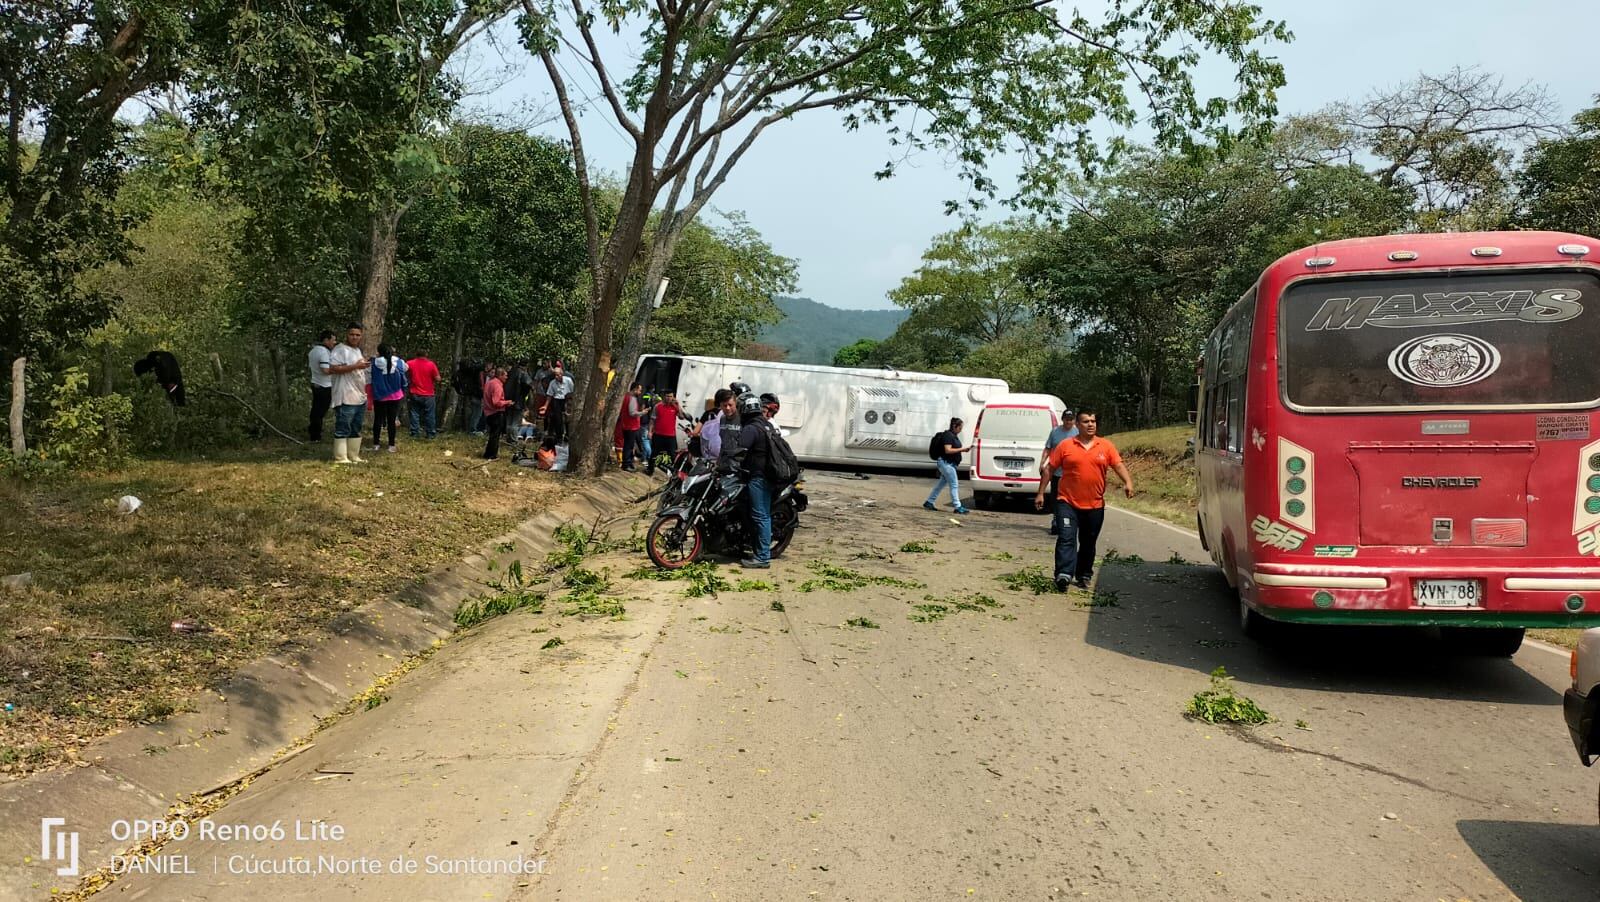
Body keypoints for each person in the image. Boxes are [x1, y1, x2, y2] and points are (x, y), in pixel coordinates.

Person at [1034, 408, 1135, 592]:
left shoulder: (1105, 446)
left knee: (1088, 542)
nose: (1091, 424)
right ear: (1078, 425)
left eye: (1093, 421)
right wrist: (1041, 493)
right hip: (1067, 502)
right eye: (1086, 421)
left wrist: (1128, 482)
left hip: (1094, 504)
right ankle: (1063, 574)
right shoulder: (1066, 445)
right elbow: (1050, 469)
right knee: (1066, 538)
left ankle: (1083, 574)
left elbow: (1118, 465)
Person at [735, 393, 773, 569]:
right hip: (765, 475)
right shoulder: (765, 424)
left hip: (759, 477)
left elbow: (738, 450)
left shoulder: (751, 428)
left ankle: (763, 557)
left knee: (760, 515)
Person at [325, 323, 370, 464]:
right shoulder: (340, 349)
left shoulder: (357, 350)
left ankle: (353, 455)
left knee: (356, 427)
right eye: (352, 334)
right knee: (343, 426)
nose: (355, 337)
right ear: (347, 334)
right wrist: (356, 366)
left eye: (358, 335)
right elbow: (333, 368)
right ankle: (340, 457)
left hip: (359, 395)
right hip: (345, 395)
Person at [923, 417, 973, 514]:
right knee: (954, 484)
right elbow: (948, 450)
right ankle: (958, 506)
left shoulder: (953, 435)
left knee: (941, 484)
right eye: (960, 427)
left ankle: (929, 502)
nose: (961, 430)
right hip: (947, 464)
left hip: (948, 464)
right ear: (955, 426)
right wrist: (962, 450)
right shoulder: (948, 436)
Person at [1043, 409, 1079, 536]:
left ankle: (1071, 521)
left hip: (1072, 474)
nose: (1069, 422)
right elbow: (1048, 448)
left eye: (1071, 419)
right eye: (1066, 419)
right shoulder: (1055, 432)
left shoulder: (1077, 432)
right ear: (1063, 419)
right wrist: (1043, 462)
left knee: (1071, 499)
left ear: (1074, 420)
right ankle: (1056, 520)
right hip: (1057, 473)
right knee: (1056, 498)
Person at [369, 344, 408, 453]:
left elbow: (368, 374)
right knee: (392, 420)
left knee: (378, 420)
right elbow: (406, 368)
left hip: (380, 395)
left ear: (378, 351)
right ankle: (391, 445)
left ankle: (376, 444)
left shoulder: (374, 362)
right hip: (395, 395)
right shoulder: (398, 361)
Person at [307, 330, 336, 441]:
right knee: (320, 411)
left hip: (315, 383)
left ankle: (313, 431)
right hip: (324, 386)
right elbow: (325, 369)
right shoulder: (324, 352)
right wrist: (338, 370)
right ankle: (315, 435)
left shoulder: (313, 350)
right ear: (326, 340)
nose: (334, 343)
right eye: (333, 340)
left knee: (315, 409)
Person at [481, 366, 514, 460]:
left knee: (492, 435)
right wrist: (507, 402)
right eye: (505, 375)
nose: (507, 378)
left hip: (488, 412)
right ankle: (492, 455)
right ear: (500, 375)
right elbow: (496, 402)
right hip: (496, 413)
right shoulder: (497, 386)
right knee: (495, 435)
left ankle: (488, 453)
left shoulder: (489, 383)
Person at [406, 352, 440, 439]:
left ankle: (415, 433)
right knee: (430, 414)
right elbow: (438, 379)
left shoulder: (410, 363)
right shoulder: (431, 364)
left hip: (415, 392)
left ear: (416, 355)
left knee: (414, 413)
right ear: (426, 355)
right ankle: (430, 433)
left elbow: (403, 372)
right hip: (428, 393)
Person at [648, 390, 683, 475]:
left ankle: (674, 473)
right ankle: (650, 470)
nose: (669, 398)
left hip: (670, 436)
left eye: (671, 396)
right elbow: (652, 420)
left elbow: (681, 417)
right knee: (654, 453)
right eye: (667, 396)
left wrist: (678, 406)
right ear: (664, 396)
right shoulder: (658, 406)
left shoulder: (674, 407)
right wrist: (650, 432)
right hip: (658, 434)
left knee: (673, 455)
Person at [700, 389, 737, 462]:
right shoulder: (710, 426)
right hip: (716, 462)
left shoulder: (742, 420)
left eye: (730, 405)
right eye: (725, 405)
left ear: (735, 403)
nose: (727, 408)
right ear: (720, 405)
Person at [544, 362, 574, 443]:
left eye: (558, 375)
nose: (557, 377)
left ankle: (568, 435)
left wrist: (570, 398)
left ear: (562, 374)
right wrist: (545, 406)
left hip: (567, 400)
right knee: (558, 419)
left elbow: (573, 391)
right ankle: (559, 437)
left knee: (568, 418)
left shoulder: (568, 380)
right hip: (557, 401)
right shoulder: (552, 383)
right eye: (555, 375)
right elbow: (549, 395)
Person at [619, 382, 645, 471]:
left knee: (628, 445)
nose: (640, 392)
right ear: (635, 389)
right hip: (631, 426)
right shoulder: (632, 398)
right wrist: (642, 412)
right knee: (629, 446)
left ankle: (628, 462)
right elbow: (632, 413)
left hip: (626, 424)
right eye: (639, 390)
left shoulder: (625, 396)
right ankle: (626, 464)